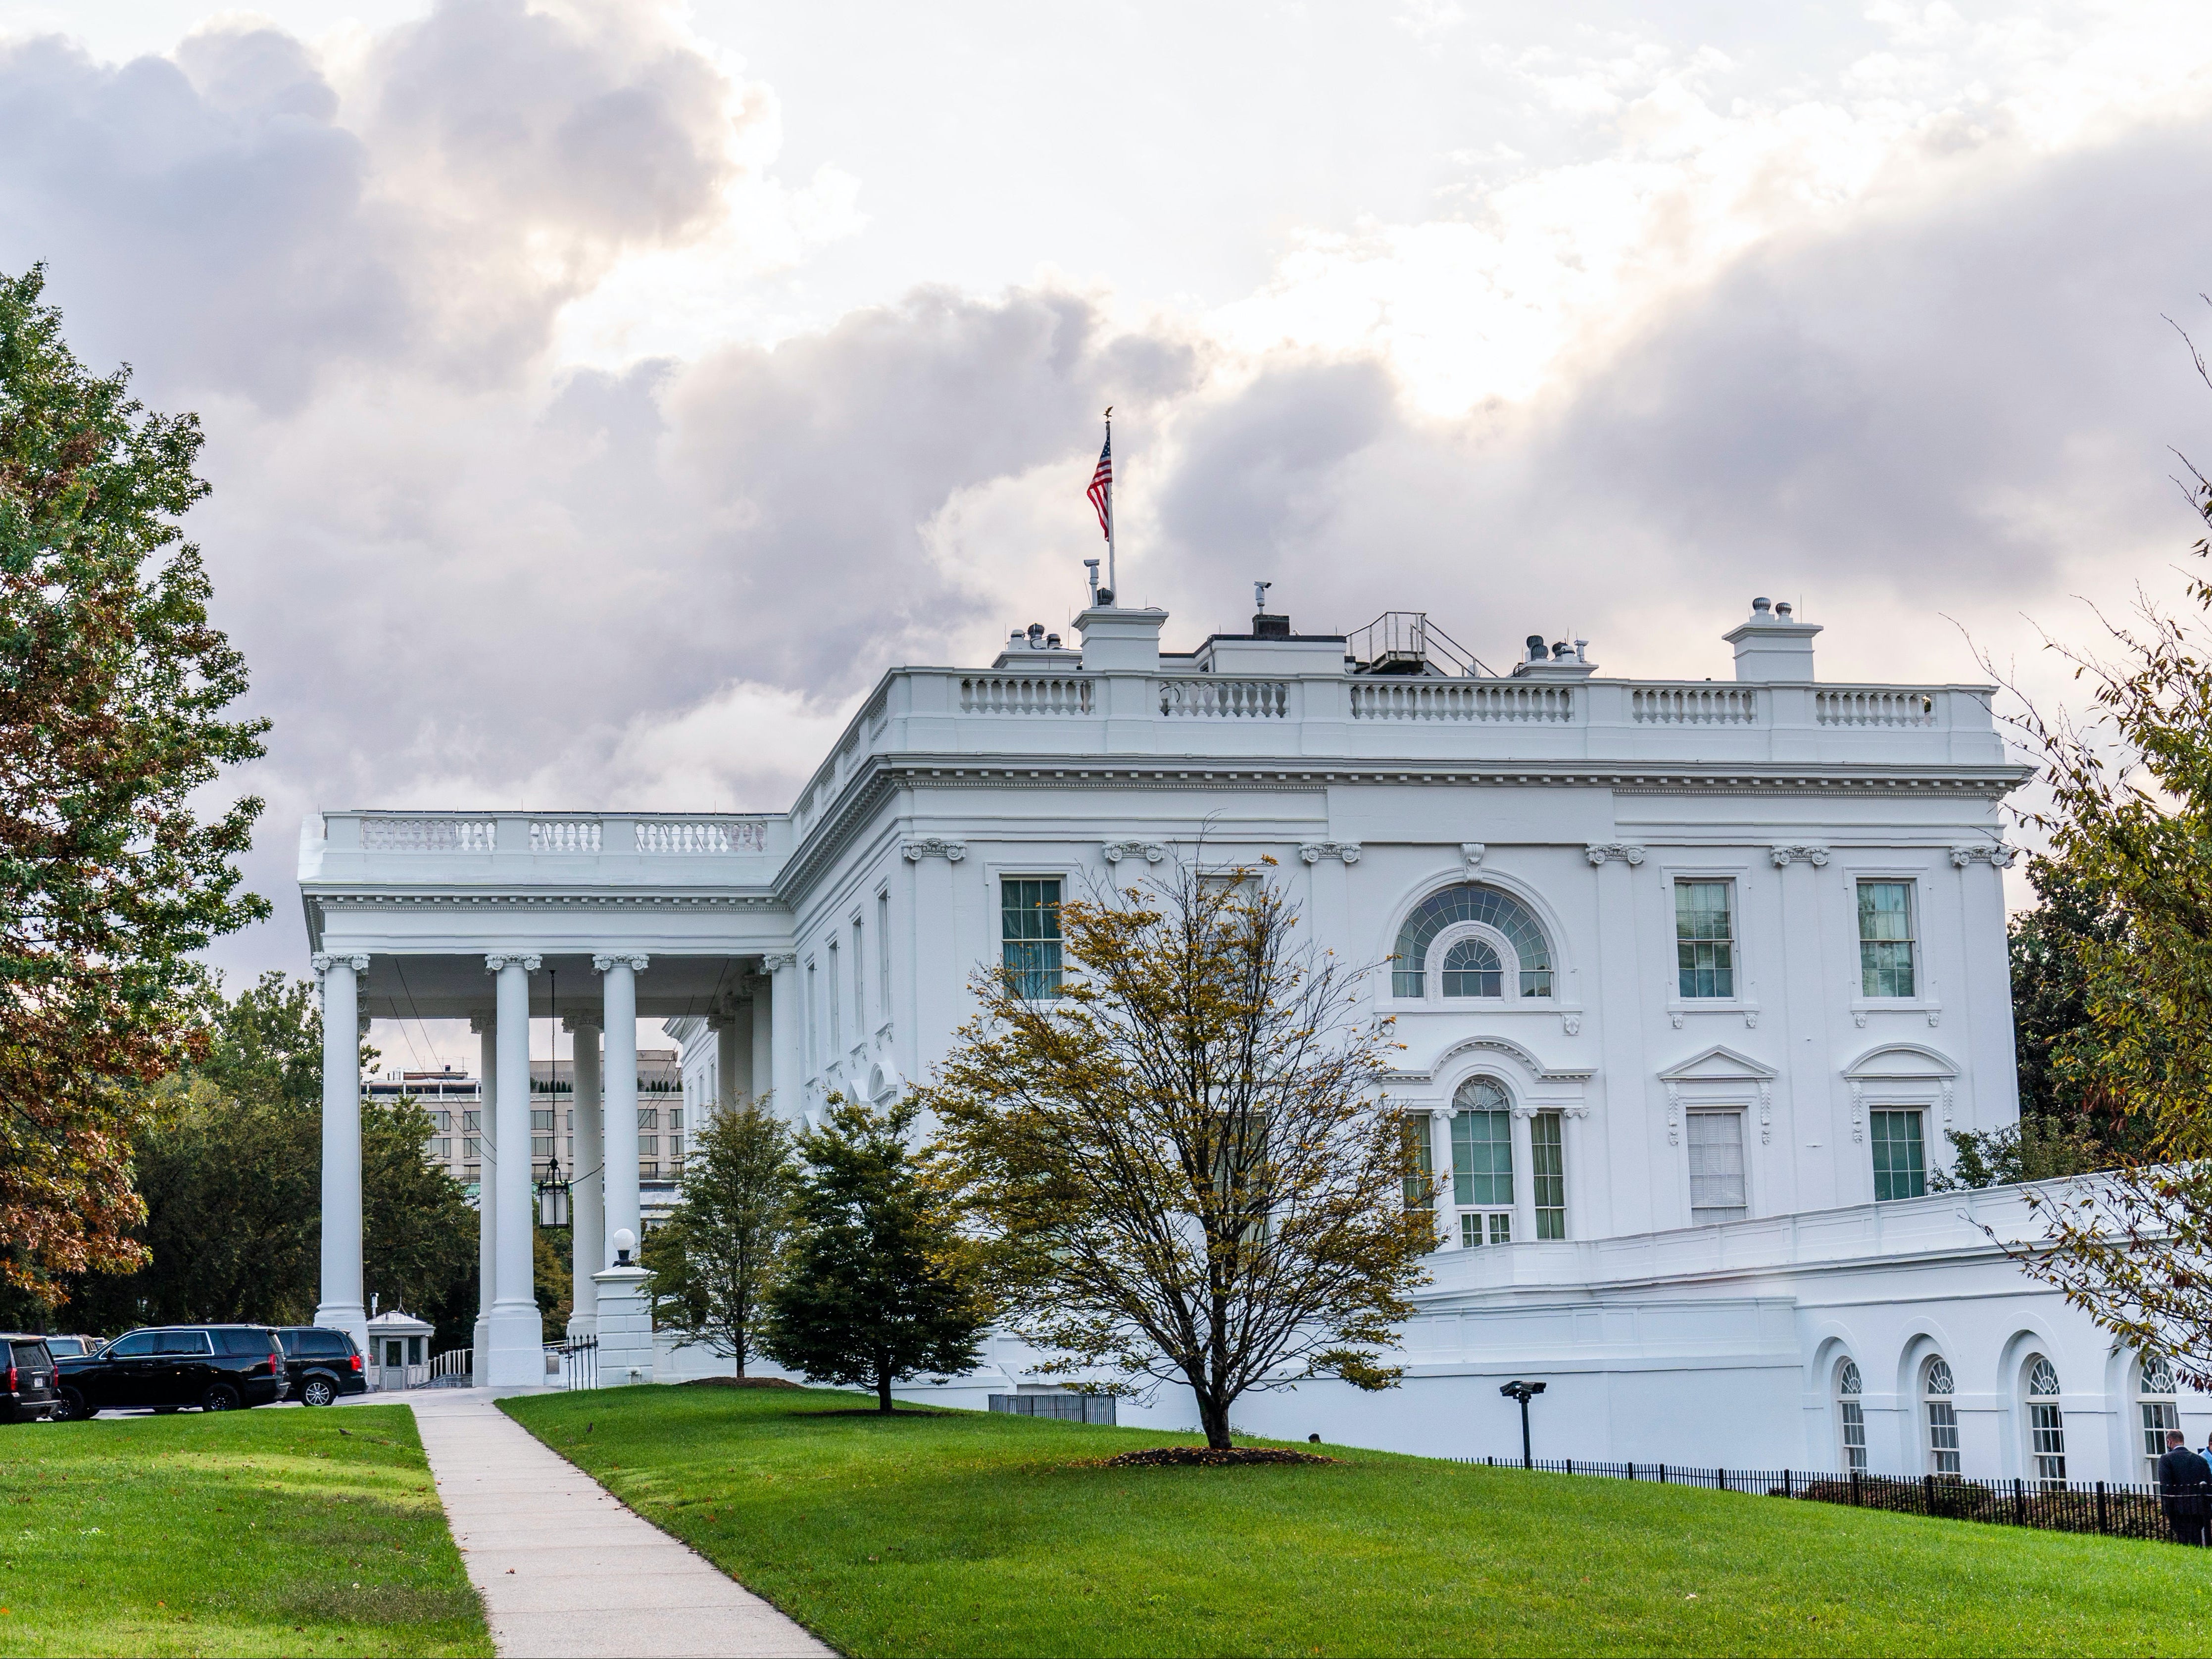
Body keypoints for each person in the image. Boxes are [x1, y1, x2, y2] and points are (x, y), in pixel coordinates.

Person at [2158, 1431, 2211, 1546]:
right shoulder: (2200, 1460)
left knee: (2185, 1543)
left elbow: (2166, 1488)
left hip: (2179, 1510)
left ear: (2169, 1441)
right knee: (2196, 1541)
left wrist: (2168, 1510)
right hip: (2199, 1509)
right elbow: (2209, 1487)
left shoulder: (2166, 1459)